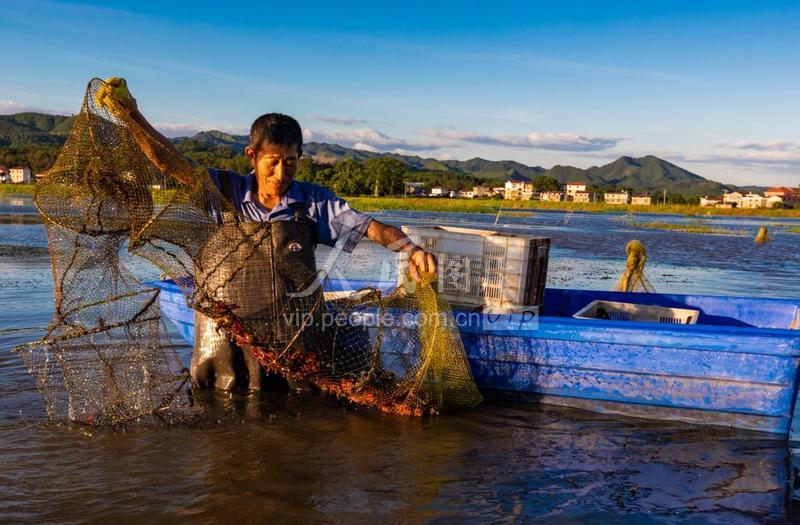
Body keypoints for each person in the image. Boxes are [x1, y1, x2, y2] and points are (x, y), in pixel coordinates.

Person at [113, 80, 437, 391]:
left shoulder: (313, 203)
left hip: (293, 350)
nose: (281, 174)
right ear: (252, 155)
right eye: (273, 162)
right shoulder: (222, 192)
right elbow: (169, 162)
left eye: (291, 163)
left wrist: (409, 248)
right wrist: (132, 115)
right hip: (225, 345)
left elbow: (371, 227)